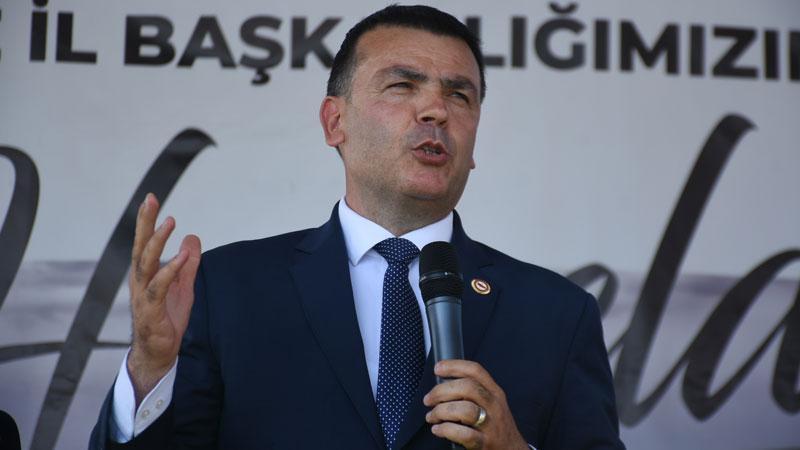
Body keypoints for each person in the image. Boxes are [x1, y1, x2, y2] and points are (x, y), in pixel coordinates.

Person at [90, 5, 624, 450]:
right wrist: (149, 370)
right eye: (402, 85)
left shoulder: (558, 314)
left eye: (459, 96)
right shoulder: (226, 288)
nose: (436, 110)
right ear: (334, 121)